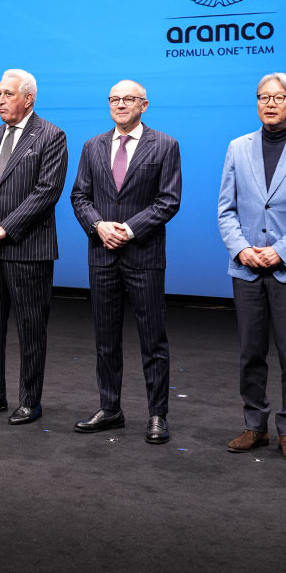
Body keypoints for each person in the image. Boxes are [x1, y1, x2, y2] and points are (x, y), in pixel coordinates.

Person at [217, 72, 286, 463]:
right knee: (250, 352)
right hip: (247, 268)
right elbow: (226, 209)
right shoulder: (237, 147)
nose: (270, 103)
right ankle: (255, 426)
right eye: (263, 97)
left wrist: (280, 251)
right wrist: (241, 249)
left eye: (279, 98)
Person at [69, 80, 182, 442]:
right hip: (102, 255)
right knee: (105, 339)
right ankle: (110, 409)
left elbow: (168, 201)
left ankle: (157, 414)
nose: (120, 105)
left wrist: (129, 230)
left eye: (128, 99)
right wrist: (98, 226)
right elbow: (79, 196)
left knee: (153, 340)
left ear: (144, 105)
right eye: (114, 99)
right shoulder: (92, 145)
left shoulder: (164, 144)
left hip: (143, 256)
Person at [0, 69, 67, 425]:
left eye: (8, 94)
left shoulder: (51, 135)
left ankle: (30, 401)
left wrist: (5, 229)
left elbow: (47, 192)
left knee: (31, 329)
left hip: (27, 249)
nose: (1, 100)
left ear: (29, 99)